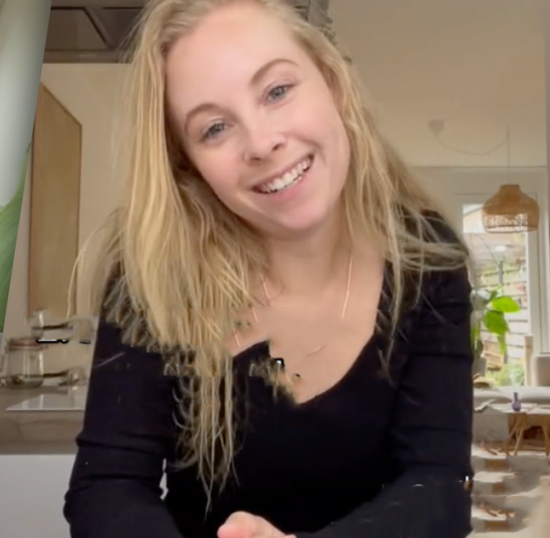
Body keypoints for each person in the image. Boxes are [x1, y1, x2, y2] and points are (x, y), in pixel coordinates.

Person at [63, 1, 475, 537]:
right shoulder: (153, 274)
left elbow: (438, 486)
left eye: (277, 91)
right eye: (214, 128)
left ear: (333, 83)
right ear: (190, 164)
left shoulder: (426, 257)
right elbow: (106, 488)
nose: (262, 144)